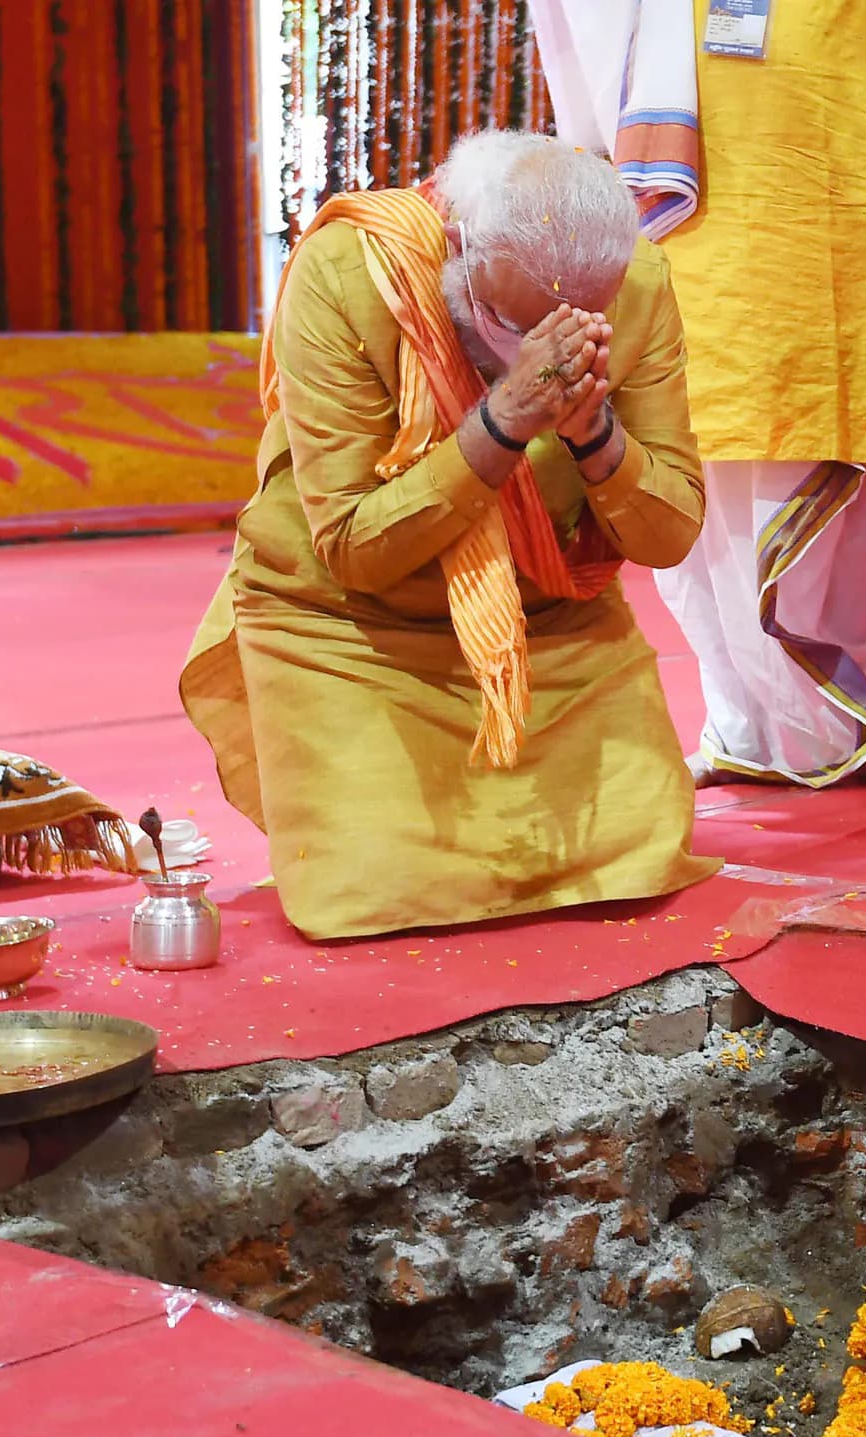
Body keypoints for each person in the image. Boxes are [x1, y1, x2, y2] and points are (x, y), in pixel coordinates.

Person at [178, 131, 717, 940]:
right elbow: (355, 547)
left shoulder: (635, 284)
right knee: (375, 888)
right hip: (350, 630)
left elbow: (670, 530)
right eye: (504, 319)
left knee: (640, 854)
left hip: (552, 624)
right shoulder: (351, 271)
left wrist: (595, 435)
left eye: (572, 323)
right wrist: (501, 424)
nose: (527, 349)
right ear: (459, 244)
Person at [541, 0, 866, 789]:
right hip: (702, 242)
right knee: (700, 498)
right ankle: (744, 727)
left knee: (849, 494)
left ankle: (831, 725)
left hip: (830, 228)